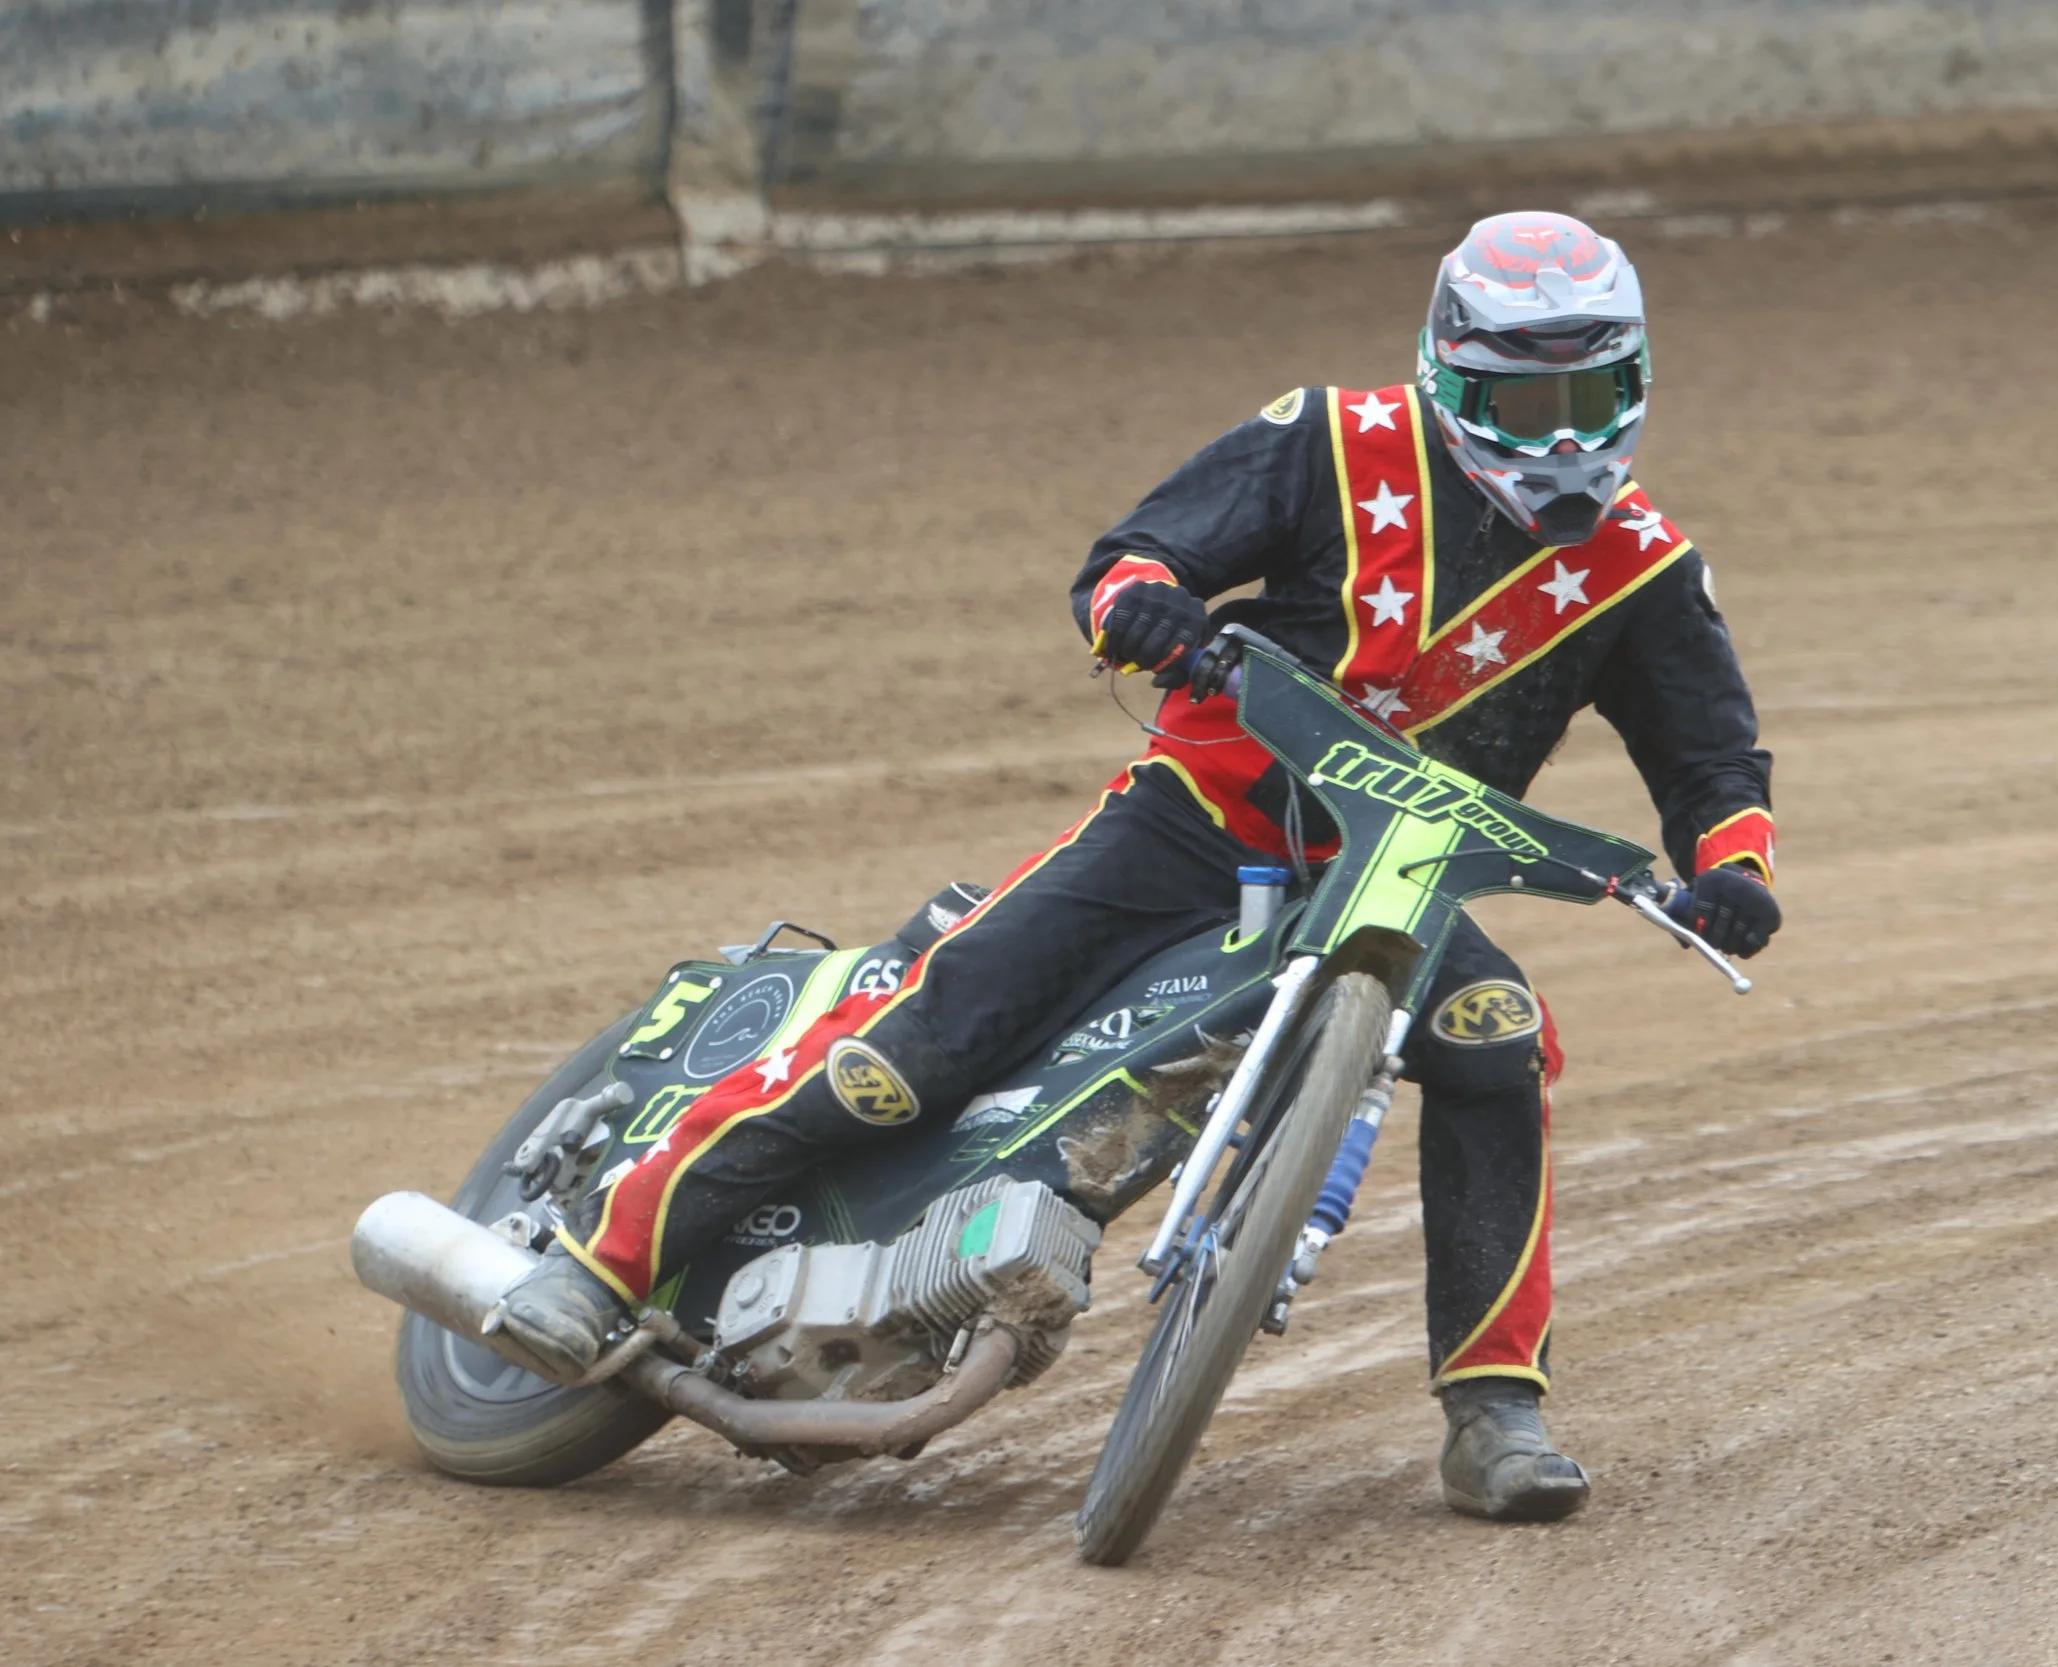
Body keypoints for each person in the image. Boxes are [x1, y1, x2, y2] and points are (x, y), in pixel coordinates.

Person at [499, 211, 1782, 1523]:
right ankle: (607, 1256)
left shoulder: (1643, 567)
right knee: (928, 1037)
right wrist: (1149, 606)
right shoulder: (1335, 442)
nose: (1564, 434)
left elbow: (1712, 760)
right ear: (1450, 373)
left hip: (1401, 878)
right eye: (1527, 396)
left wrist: (1732, 869)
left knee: (1497, 1041)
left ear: (1637, 384)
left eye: (1594, 395)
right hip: (1191, 820)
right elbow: (1131, 559)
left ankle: (1497, 1407)